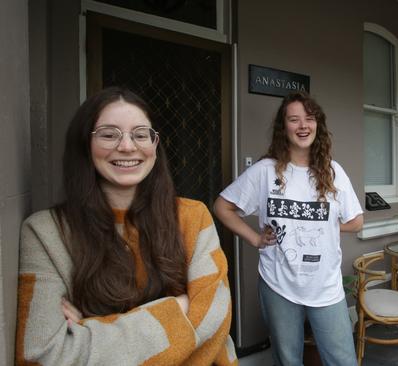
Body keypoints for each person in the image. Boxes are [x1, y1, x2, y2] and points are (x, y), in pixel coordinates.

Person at [16, 87, 237, 365]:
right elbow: (41, 355)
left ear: (155, 145)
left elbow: (214, 320)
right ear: (85, 144)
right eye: (109, 134)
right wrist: (177, 308)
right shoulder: (46, 233)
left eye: (141, 134)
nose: (128, 146)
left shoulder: (193, 217)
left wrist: (90, 328)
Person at [215, 92, 363, 365]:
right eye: (294, 119)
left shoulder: (333, 172)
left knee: (343, 361)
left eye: (309, 118)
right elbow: (222, 207)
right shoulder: (264, 172)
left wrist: (323, 225)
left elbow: (356, 221)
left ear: (318, 124)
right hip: (278, 285)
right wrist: (255, 239)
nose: (303, 125)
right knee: (287, 360)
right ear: (284, 128)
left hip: (325, 286)